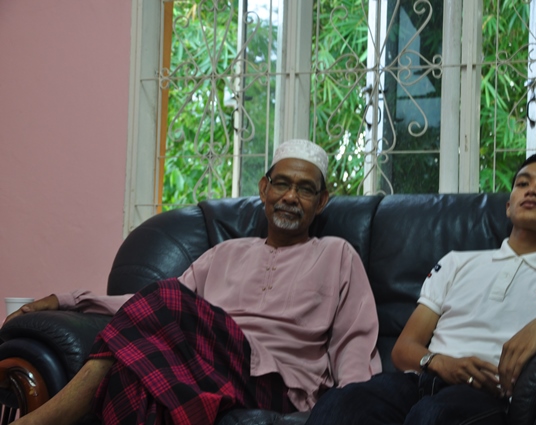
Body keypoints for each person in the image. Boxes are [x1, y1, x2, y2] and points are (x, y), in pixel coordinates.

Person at [4, 139, 382, 425]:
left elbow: (354, 342)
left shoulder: (337, 255)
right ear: (264, 189)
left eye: (305, 189)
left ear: (322, 201)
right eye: (282, 184)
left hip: (278, 383)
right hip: (206, 370)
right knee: (133, 375)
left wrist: (351, 405)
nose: (290, 197)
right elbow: (144, 308)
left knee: (164, 305)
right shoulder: (225, 253)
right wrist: (69, 300)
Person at [305, 153, 536, 425]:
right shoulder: (457, 262)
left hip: (485, 396)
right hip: (418, 380)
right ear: (509, 205)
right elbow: (404, 349)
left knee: (436, 416)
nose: (532, 190)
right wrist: (439, 362)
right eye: (523, 183)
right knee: (342, 404)